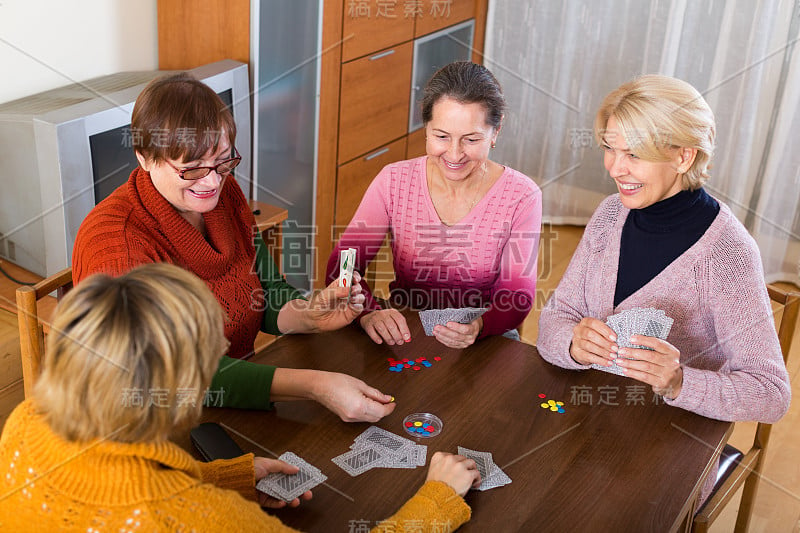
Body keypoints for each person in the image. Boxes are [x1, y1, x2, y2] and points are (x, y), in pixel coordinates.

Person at [0, 263, 481, 531]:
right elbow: (159, 513)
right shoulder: (209, 520)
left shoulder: (25, 420)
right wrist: (435, 501)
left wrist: (218, 476)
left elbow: (102, 495)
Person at [72, 72, 394, 422]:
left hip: (233, 400)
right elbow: (177, 374)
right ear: (144, 157)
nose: (212, 181)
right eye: (191, 169)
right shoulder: (117, 245)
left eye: (223, 161)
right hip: (149, 424)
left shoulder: (223, 196)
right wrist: (316, 385)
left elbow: (267, 293)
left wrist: (310, 315)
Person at [536, 74, 791, 502]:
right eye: (610, 148)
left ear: (684, 156)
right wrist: (574, 343)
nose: (616, 168)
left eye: (634, 153)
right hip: (590, 419)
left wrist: (678, 383)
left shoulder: (728, 253)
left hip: (671, 446)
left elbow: (771, 394)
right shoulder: (608, 214)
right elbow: (552, 322)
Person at [326, 61, 542, 349]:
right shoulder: (394, 180)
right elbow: (343, 264)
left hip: (484, 340)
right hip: (404, 330)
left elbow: (517, 296)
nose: (454, 154)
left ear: (496, 132)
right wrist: (367, 313)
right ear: (426, 127)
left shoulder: (522, 195)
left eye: (471, 139)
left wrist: (478, 326)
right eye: (441, 136)